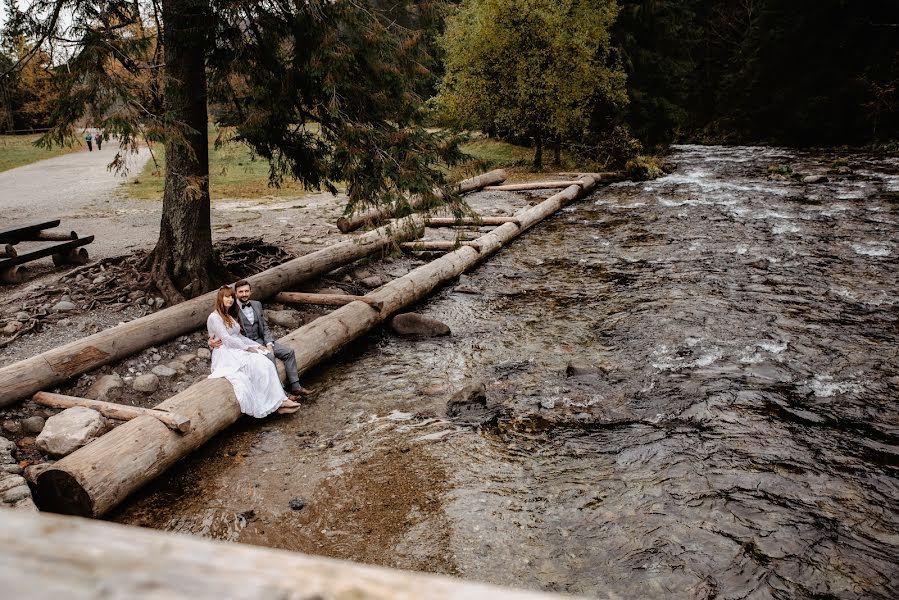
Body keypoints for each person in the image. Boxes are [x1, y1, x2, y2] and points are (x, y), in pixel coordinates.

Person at [206, 285, 301, 416]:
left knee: (265, 362)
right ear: (220, 298)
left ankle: (280, 401)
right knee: (256, 366)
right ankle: (277, 402)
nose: (230, 300)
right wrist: (247, 348)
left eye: (232, 297)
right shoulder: (214, 317)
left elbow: (239, 336)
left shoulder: (229, 315)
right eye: (227, 297)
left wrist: (257, 346)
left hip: (236, 347)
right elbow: (227, 339)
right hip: (225, 352)